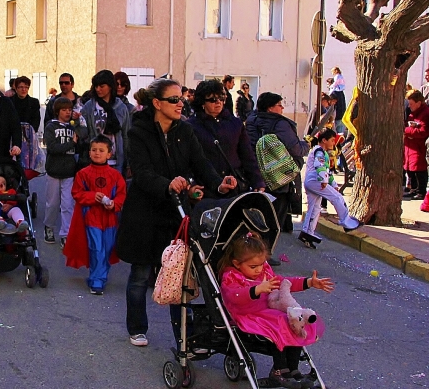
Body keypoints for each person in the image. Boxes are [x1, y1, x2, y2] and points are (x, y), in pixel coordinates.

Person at [116, 78, 237, 347]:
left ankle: (183, 333)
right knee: (140, 274)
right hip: (144, 212)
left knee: (179, 274)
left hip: (176, 212)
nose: (180, 104)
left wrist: (218, 182)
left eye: (181, 98)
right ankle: (137, 328)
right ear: (157, 104)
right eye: (173, 100)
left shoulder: (185, 130)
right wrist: (166, 183)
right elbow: (142, 171)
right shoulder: (139, 132)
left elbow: (200, 162)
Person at [218, 232, 333, 389]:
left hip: (266, 312)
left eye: (261, 264)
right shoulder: (231, 276)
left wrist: (308, 282)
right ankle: (279, 370)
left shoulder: (264, 271)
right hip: (246, 315)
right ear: (237, 263)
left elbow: (283, 283)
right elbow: (233, 296)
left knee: (295, 320)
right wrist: (256, 289)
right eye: (253, 267)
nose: (259, 270)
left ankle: (293, 369)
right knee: (280, 323)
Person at [63, 135, 126, 295]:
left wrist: (114, 204)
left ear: (109, 154)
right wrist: (92, 197)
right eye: (94, 150)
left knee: (107, 248)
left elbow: (121, 195)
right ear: (89, 152)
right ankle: (98, 280)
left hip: (110, 218)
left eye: (101, 150)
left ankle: (98, 276)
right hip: (91, 217)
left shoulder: (115, 175)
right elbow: (76, 193)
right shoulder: (83, 174)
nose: (97, 153)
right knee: (96, 248)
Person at [246, 93, 309, 243]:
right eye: (279, 105)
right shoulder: (281, 124)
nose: (282, 108)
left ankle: (255, 250)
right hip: (278, 177)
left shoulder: (251, 120)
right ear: (270, 108)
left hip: (255, 174)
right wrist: (307, 145)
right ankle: (266, 252)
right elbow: (295, 149)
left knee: (257, 217)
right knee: (274, 218)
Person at [187, 79, 265, 196]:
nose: (218, 102)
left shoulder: (235, 123)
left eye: (221, 98)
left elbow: (247, 155)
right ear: (202, 102)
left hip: (234, 185)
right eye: (212, 100)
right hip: (205, 188)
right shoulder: (191, 126)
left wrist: (257, 182)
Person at [300, 129, 362, 248]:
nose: (334, 143)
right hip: (316, 180)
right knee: (337, 198)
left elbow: (326, 170)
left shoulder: (319, 151)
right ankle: (346, 222)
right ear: (324, 140)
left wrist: (332, 183)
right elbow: (320, 166)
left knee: (314, 208)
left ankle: (307, 233)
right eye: (332, 140)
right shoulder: (319, 151)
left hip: (311, 181)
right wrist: (324, 180)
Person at [79, 70, 131, 175]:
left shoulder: (121, 107)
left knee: (114, 191)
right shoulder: (89, 107)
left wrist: (129, 163)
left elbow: (126, 136)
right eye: (96, 86)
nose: (98, 89)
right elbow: (83, 134)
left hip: (116, 160)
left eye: (102, 86)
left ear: (110, 86)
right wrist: (77, 121)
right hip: (95, 160)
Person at [43, 97, 78, 246]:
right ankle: (49, 226)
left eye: (69, 110)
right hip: (54, 170)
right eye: (64, 110)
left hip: (69, 170)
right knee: (52, 203)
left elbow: (83, 135)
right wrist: (71, 143)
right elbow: (52, 148)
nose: (67, 113)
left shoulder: (73, 127)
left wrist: (79, 121)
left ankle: (66, 233)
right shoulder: (51, 127)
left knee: (68, 204)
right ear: (57, 111)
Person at [404, 90, 429, 200]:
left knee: (419, 169)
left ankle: (420, 191)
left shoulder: (425, 113)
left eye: (411, 104)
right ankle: (413, 189)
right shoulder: (413, 113)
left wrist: (407, 131)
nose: (410, 106)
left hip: (419, 147)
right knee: (410, 168)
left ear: (418, 103)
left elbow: (423, 131)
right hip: (411, 146)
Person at [328, 67, 347, 132]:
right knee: (340, 137)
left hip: (336, 118)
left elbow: (331, 107)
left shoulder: (333, 93)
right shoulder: (341, 93)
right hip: (342, 117)